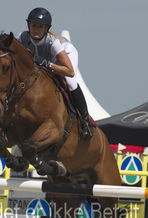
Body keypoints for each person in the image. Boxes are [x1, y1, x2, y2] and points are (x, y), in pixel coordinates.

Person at [17, 7, 93, 139]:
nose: (36, 29)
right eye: (33, 25)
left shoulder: (53, 43)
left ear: (46, 29)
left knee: (70, 81)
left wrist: (47, 64)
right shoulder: (22, 37)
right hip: (45, 63)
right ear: (28, 25)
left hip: (65, 57)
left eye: (40, 26)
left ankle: (85, 121)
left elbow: (69, 71)